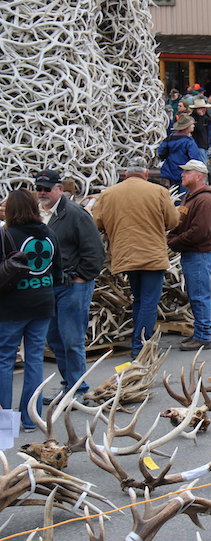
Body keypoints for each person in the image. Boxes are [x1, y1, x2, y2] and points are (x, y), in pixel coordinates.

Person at [92, 161, 179, 358]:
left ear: (125, 175)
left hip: (125, 255)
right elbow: (173, 221)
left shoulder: (108, 194)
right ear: (146, 174)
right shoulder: (158, 192)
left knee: (139, 299)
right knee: (149, 300)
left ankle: (137, 343)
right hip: (152, 255)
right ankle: (141, 347)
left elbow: (96, 222)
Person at [34, 170, 104, 404]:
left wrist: (82, 277)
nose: (42, 192)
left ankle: (79, 390)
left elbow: (94, 250)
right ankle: (69, 386)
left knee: (71, 339)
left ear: (59, 190)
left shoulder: (74, 214)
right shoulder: (40, 215)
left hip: (72, 286)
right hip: (49, 286)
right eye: (39, 188)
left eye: (47, 188)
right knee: (55, 339)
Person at [0, 190, 63, 432]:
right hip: (43, 304)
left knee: (5, 360)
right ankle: (31, 418)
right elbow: (58, 271)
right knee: (34, 359)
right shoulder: (49, 234)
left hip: (12, 307)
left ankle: (5, 423)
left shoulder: (7, 235)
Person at [167, 160, 211, 352]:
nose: (182, 175)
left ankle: (203, 337)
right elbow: (183, 223)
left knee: (199, 296)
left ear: (199, 176)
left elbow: (200, 232)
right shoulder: (191, 197)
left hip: (199, 254)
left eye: (187, 172)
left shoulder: (204, 200)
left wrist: (174, 241)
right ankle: (200, 333)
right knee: (197, 294)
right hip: (193, 253)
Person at [157, 115, 202, 192]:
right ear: (187, 127)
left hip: (169, 171)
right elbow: (195, 159)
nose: (194, 126)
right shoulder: (189, 142)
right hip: (184, 173)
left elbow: (160, 152)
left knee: (171, 196)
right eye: (192, 124)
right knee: (183, 198)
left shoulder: (169, 139)